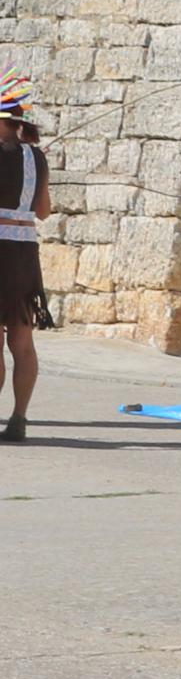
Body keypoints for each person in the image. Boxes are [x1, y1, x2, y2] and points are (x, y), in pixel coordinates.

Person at [0, 74, 46, 443]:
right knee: (23, 341)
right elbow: (43, 210)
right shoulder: (37, 157)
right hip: (25, 256)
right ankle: (19, 417)